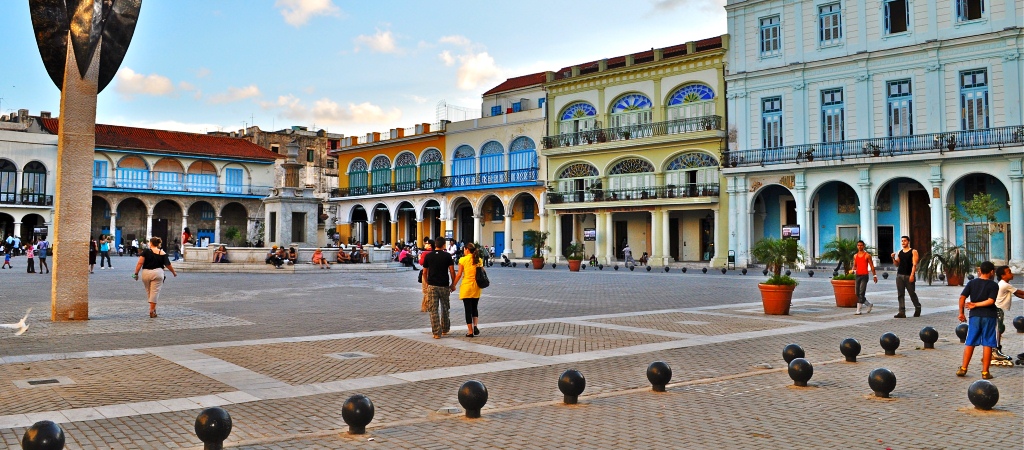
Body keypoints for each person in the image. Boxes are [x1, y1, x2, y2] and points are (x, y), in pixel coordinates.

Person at [956, 261, 999, 380]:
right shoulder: (993, 285)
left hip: (974, 316)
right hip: (989, 315)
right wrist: (976, 304)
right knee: (988, 343)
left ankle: (963, 368)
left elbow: (962, 297)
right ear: (991, 271)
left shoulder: (972, 283)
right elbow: (991, 301)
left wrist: (961, 313)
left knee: (970, 341)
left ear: (980, 271)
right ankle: (985, 372)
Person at [133, 237, 177, 318]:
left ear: (151, 243)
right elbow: (168, 264)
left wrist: (136, 273)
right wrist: (173, 272)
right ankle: (152, 310)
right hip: (158, 273)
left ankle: (153, 308)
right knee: (155, 291)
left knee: (149, 291)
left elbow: (140, 263)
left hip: (146, 273)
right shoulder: (162, 252)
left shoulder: (146, 251)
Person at [421, 237, 455, 339]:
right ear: (444, 245)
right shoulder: (447, 256)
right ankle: (445, 329)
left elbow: (424, 272)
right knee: (445, 307)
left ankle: (436, 332)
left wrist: (427, 283)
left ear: (435, 245)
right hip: (444, 285)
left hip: (432, 285)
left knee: (433, 309)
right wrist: (453, 283)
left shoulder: (429, 256)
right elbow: (452, 271)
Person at [451, 242, 484, 338]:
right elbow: (483, 271)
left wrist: (453, 285)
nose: (463, 251)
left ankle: (470, 331)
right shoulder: (479, 259)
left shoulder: (463, 260)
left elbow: (459, 274)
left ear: (467, 250)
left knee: (467, 309)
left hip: (466, 286)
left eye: (464, 250)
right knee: (475, 307)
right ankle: (475, 326)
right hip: (476, 286)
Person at [994, 266, 1024, 361]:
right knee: (999, 329)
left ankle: (996, 349)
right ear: (1003, 275)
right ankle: (996, 350)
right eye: (1009, 272)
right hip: (998, 309)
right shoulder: (1005, 285)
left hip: (999, 309)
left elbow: (1017, 294)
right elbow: (1019, 292)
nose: (1012, 274)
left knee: (999, 329)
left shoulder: (1004, 284)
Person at [891, 236, 921, 318]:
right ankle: (902, 312)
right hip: (900, 275)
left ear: (908, 242)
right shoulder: (900, 252)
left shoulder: (913, 251)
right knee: (900, 294)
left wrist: (912, 275)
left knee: (912, 293)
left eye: (905, 241)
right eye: (902, 241)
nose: (903, 242)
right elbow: (897, 264)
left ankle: (918, 307)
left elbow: (914, 264)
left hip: (909, 275)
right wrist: (893, 258)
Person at [853, 240, 876, 315]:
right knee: (857, 293)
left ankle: (858, 310)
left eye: (861, 245)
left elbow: (872, 266)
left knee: (861, 292)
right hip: (857, 275)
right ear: (857, 246)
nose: (860, 247)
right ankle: (869, 304)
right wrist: (853, 270)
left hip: (864, 276)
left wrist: (874, 275)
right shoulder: (855, 256)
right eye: (858, 245)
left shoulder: (867, 255)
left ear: (864, 246)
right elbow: (855, 265)